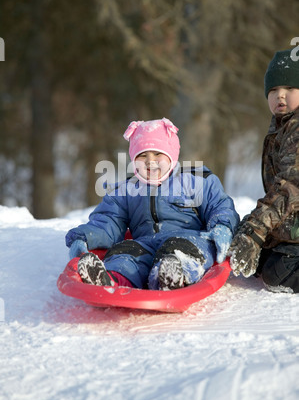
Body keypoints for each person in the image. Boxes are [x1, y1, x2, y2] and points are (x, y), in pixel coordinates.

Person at [65, 118, 239, 290]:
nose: (150, 161)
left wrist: (222, 226)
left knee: (181, 251)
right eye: (142, 155)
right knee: (125, 253)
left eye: (157, 154)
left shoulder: (197, 181)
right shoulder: (127, 190)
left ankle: (172, 276)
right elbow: (108, 221)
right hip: (145, 244)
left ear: (171, 155)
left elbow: (220, 206)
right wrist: (84, 238)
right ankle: (110, 279)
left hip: (187, 238)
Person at [229, 48, 299, 294]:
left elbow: (290, 189)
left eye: (289, 89)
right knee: (256, 260)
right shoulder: (281, 126)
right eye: (273, 90)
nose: (280, 96)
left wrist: (256, 231)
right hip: (291, 224)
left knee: (277, 273)